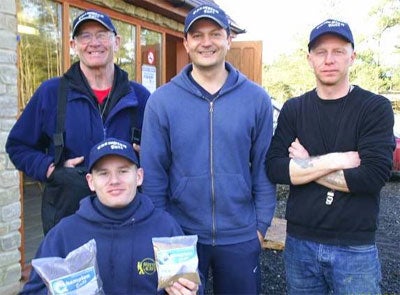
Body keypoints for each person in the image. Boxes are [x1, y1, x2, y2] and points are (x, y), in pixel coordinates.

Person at [140, 4, 276, 294]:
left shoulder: (256, 99)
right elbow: (153, 175)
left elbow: (263, 167)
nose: (206, 42)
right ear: (186, 42)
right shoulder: (162, 102)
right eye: (198, 35)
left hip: (241, 235)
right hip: (180, 236)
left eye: (215, 33)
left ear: (229, 39)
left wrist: (260, 227)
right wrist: (163, 236)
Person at [266, 19, 395, 294]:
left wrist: (305, 164)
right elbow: (275, 168)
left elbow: (371, 177)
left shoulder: (374, 108)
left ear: (353, 56)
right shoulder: (294, 109)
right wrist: (336, 160)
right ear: (309, 58)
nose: (329, 59)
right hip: (300, 243)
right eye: (321, 52)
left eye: (338, 51)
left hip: (355, 248)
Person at [6, 9, 150, 234]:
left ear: (116, 42)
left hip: (129, 222)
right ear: (74, 45)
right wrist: (50, 169)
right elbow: (17, 146)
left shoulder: (140, 97)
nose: (94, 43)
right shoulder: (51, 93)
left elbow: (163, 155)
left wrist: (147, 155)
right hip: (68, 220)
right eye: (85, 36)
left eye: (102, 35)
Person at [19, 138, 200, 295]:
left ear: (139, 177)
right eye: (103, 173)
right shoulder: (64, 234)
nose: (114, 180)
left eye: (123, 171)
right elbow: (33, 291)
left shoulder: (165, 227)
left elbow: (193, 282)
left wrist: (190, 290)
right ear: (91, 181)